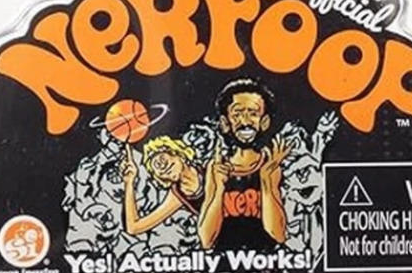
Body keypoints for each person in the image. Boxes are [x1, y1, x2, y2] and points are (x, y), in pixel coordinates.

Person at [198, 79, 288, 252]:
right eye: (237, 114)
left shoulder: (270, 166)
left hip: (265, 264)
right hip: (223, 264)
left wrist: (266, 181)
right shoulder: (216, 168)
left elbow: (278, 234)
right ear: (225, 123)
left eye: (253, 113)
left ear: (264, 121)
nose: (245, 121)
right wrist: (219, 189)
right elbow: (206, 240)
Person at [121, 135, 203, 236]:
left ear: (180, 155)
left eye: (163, 159)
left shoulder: (208, 167)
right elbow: (133, 228)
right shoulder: (178, 194)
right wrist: (129, 183)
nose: (162, 166)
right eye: (157, 166)